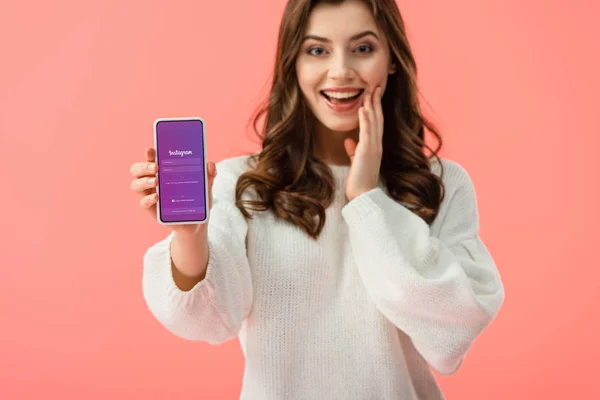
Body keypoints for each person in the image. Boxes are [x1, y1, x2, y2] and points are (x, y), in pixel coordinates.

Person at [129, 0, 505, 398]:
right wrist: (191, 234)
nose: (340, 71)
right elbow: (208, 321)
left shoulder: (441, 184)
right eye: (317, 50)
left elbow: (452, 334)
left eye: (362, 48)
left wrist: (366, 200)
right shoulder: (244, 183)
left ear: (392, 59)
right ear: (293, 63)